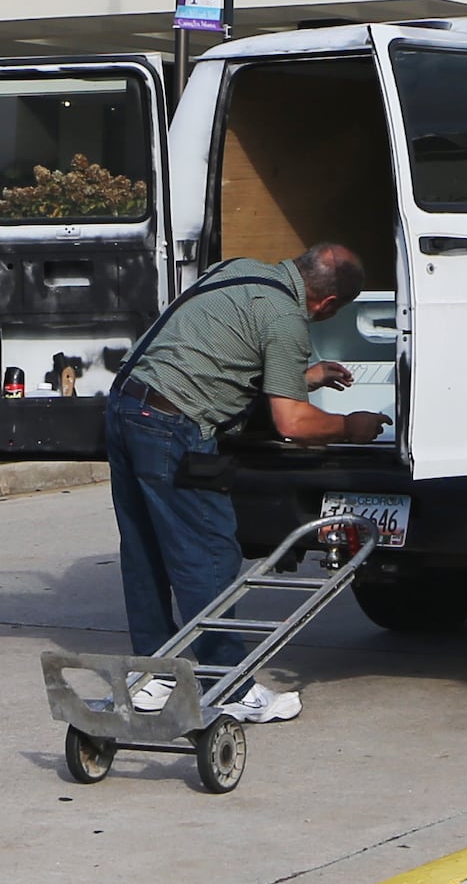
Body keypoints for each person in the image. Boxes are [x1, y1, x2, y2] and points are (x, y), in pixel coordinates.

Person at [105, 241, 388, 725]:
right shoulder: (287, 319)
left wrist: (304, 376)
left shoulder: (238, 270)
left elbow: (225, 349)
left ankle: (152, 675)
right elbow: (293, 424)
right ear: (328, 304)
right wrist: (350, 427)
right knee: (209, 552)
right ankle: (229, 685)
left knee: (146, 548)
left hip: (126, 408)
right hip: (174, 425)